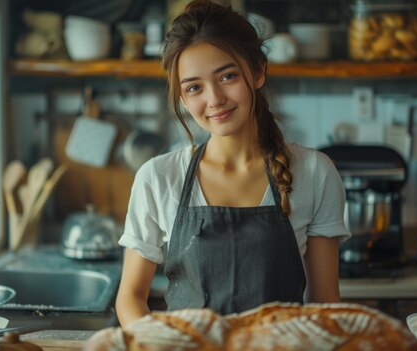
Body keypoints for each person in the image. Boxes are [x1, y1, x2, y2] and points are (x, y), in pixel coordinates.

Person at [115, 0, 350, 327]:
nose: (214, 99)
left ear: (257, 71)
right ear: (184, 98)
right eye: (194, 87)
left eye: (226, 76)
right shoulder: (158, 177)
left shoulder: (314, 172)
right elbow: (130, 298)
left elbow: (324, 304)